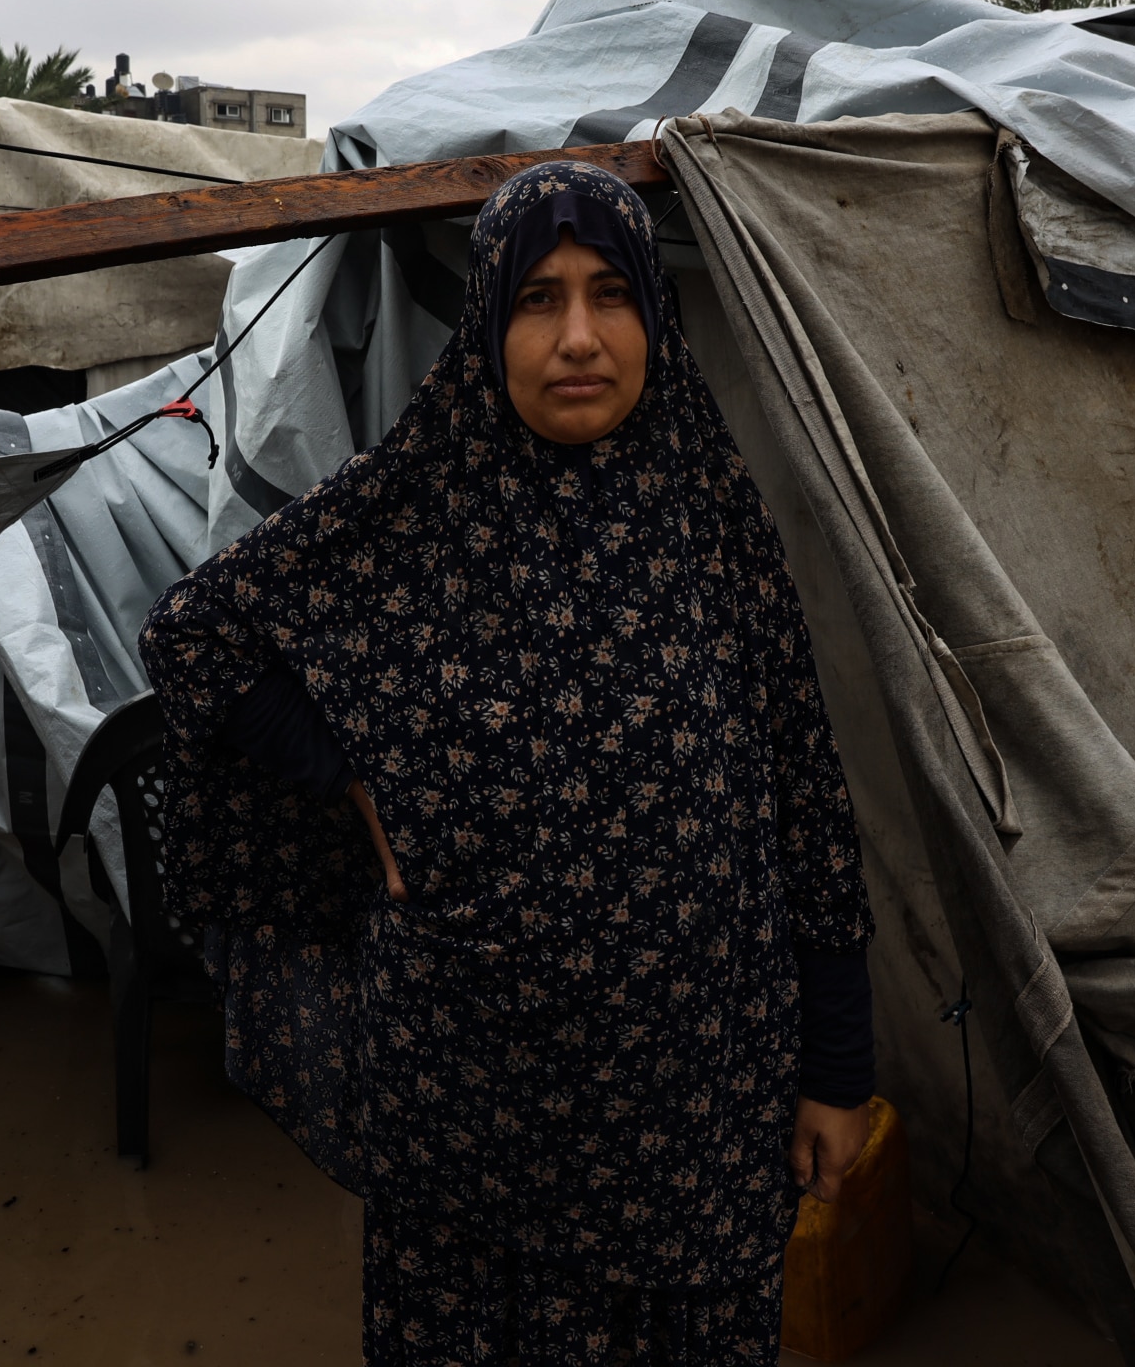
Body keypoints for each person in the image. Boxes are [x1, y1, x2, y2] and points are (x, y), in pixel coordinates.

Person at [141, 160, 874, 1364]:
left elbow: (803, 799)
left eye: (608, 294)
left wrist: (837, 1069)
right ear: (486, 320)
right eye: (536, 298)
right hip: (468, 1120)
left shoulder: (709, 512)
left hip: (698, 1116)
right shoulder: (410, 508)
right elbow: (195, 634)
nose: (577, 336)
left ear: (654, 310)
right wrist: (349, 777)